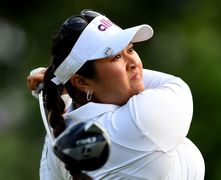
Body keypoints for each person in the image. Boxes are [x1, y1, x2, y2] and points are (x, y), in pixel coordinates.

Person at [27, 9, 205, 180]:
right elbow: (174, 84)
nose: (133, 62)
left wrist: (61, 82)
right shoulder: (141, 121)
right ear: (81, 82)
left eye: (130, 49)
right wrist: (60, 81)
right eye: (115, 57)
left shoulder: (59, 139)